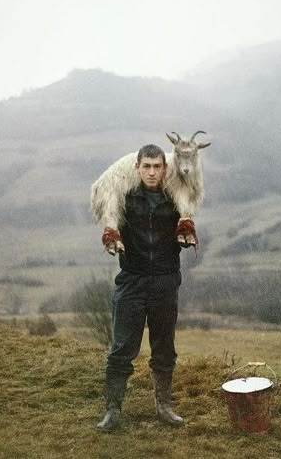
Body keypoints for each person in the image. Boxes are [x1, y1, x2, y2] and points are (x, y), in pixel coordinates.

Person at [97, 144, 194, 431]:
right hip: (132, 281)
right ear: (137, 169)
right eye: (146, 167)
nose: (152, 172)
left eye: (157, 167)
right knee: (122, 349)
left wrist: (186, 232)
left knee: (164, 349)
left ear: (165, 169)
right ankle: (112, 410)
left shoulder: (174, 201)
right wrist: (111, 236)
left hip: (165, 282)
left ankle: (164, 407)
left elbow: (188, 218)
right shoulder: (124, 199)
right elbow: (109, 217)